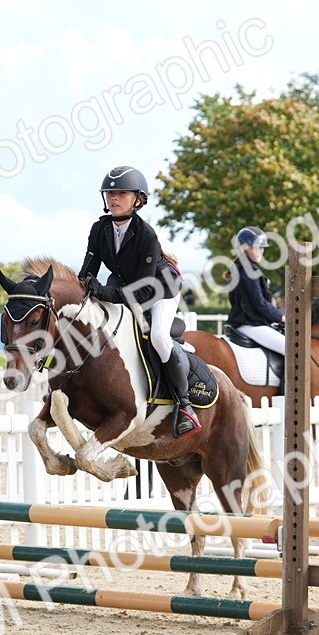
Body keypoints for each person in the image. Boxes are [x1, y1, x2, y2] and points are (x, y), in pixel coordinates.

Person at [77, 165, 199, 438]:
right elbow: (87, 272)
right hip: (123, 282)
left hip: (160, 289)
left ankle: (184, 404)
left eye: (121, 193)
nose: (113, 198)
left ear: (138, 199)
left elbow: (143, 293)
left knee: (157, 336)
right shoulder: (99, 229)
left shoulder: (146, 234)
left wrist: (104, 292)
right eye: (109, 193)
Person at [226, 226, 285, 355]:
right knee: (291, 349)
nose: (261, 251)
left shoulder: (242, 268)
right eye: (257, 247)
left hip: (246, 322)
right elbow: (259, 303)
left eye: (262, 247)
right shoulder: (248, 271)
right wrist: (281, 317)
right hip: (250, 325)